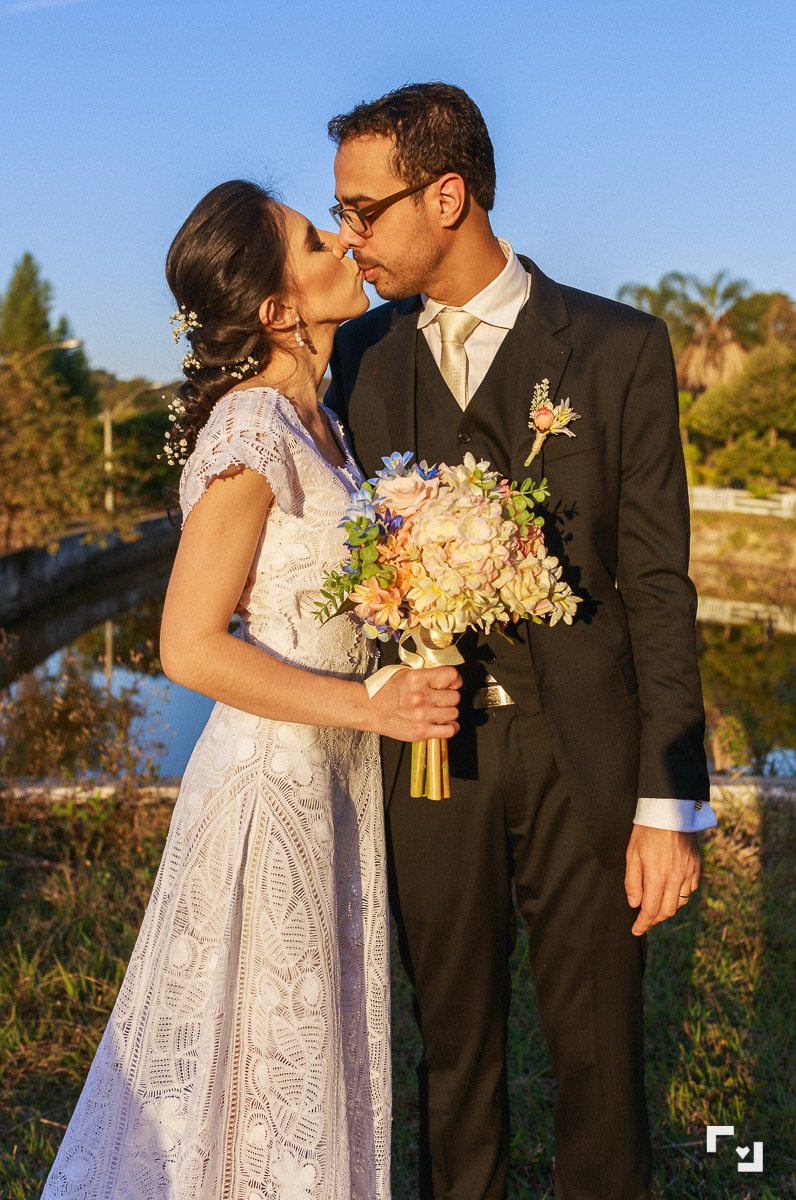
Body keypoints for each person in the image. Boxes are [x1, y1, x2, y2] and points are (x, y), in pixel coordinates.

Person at [325, 83, 716, 1200]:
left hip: (581, 760)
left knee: (598, 1062)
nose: (349, 236)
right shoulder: (356, 360)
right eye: (340, 214)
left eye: (364, 210)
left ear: (446, 195)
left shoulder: (615, 347)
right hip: (425, 763)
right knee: (450, 1058)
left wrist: (666, 803)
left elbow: (654, 585)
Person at [41, 179, 461, 1200]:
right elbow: (186, 647)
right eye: (319, 241)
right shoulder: (249, 432)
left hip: (333, 783)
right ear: (277, 310)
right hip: (271, 790)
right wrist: (367, 706)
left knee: (300, 1056)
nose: (344, 243)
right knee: (254, 1058)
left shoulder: (320, 423)